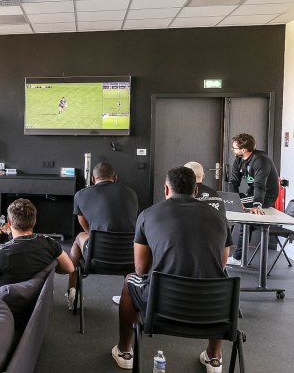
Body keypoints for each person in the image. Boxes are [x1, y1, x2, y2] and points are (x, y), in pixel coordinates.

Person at [112, 167, 232, 372]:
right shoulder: (220, 217)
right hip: (212, 307)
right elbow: (222, 263)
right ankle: (214, 356)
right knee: (221, 279)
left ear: (166, 190)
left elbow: (141, 269)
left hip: (162, 304)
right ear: (196, 191)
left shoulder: (148, 215)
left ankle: (124, 350)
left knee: (129, 280)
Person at [66, 162, 138, 310]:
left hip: (96, 256)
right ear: (115, 177)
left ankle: (71, 292)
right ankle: (129, 294)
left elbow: (83, 223)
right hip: (129, 257)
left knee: (79, 237)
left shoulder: (81, 195)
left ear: (93, 178)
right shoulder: (131, 193)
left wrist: (93, 236)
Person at [227, 133, 279, 265]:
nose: (233, 150)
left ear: (243, 150)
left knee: (245, 218)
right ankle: (237, 256)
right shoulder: (239, 159)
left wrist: (257, 205)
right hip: (252, 192)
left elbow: (260, 185)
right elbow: (233, 182)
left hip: (266, 195)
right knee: (231, 204)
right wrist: (234, 199)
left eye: (234, 148)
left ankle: (238, 258)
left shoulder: (261, 160)